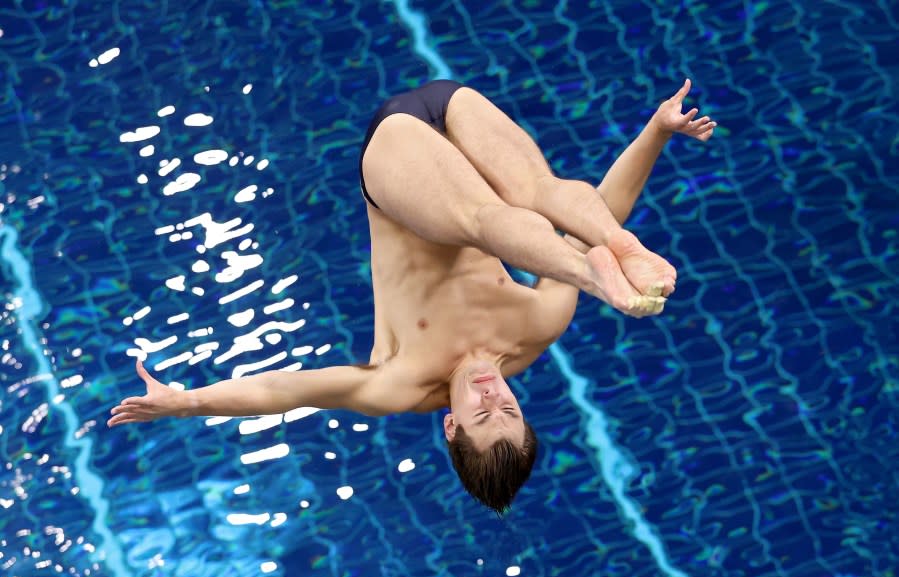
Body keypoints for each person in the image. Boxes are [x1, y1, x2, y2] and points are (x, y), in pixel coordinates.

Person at [108, 79, 715, 513]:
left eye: (482, 415)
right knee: (539, 191)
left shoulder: (398, 383)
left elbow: (281, 391)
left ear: (451, 426)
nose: (493, 396)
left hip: (396, 156)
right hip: (450, 106)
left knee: (484, 218)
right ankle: (611, 255)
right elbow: (605, 202)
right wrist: (655, 133)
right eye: (510, 409)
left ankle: (595, 273)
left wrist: (186, 403)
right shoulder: (538, 326)